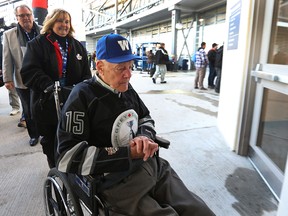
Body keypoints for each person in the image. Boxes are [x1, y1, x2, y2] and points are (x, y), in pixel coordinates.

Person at [56, 33, 215, 216]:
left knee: (199, 211)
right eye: (121, 68)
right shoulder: (83, 96)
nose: (128, 75)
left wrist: (144, 137)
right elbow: (67, 157)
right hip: (115, 182)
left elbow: (145, 117)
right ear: (100, 66)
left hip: (151, 166)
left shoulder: (126, 89)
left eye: (130, 66)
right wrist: (126, 154)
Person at [20, 8, 92, 168]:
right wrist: (48, 85)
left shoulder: (77, 46)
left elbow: (86, 73)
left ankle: (72, 164)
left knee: (74, 135)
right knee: (51, 138)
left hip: (73, 100)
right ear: (51, 22)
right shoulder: (37, 44)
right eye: (60, 20)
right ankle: (55, 167)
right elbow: (29, 71)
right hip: (47, 101)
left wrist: (84, 87)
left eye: (67, 21)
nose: (64, 25)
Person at [2, 4, 41, 146]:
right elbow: (7, 58)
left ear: (32, 15)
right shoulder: (9, 35)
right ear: (17, 18)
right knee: (29, 109)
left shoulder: (43, 31)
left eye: (28, 15)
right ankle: (34, 135)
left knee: (41, 107)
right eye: (21, 15)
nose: (25, 18)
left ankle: (44, 131)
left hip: (41, 77)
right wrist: (7, 79)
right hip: (21, 79)